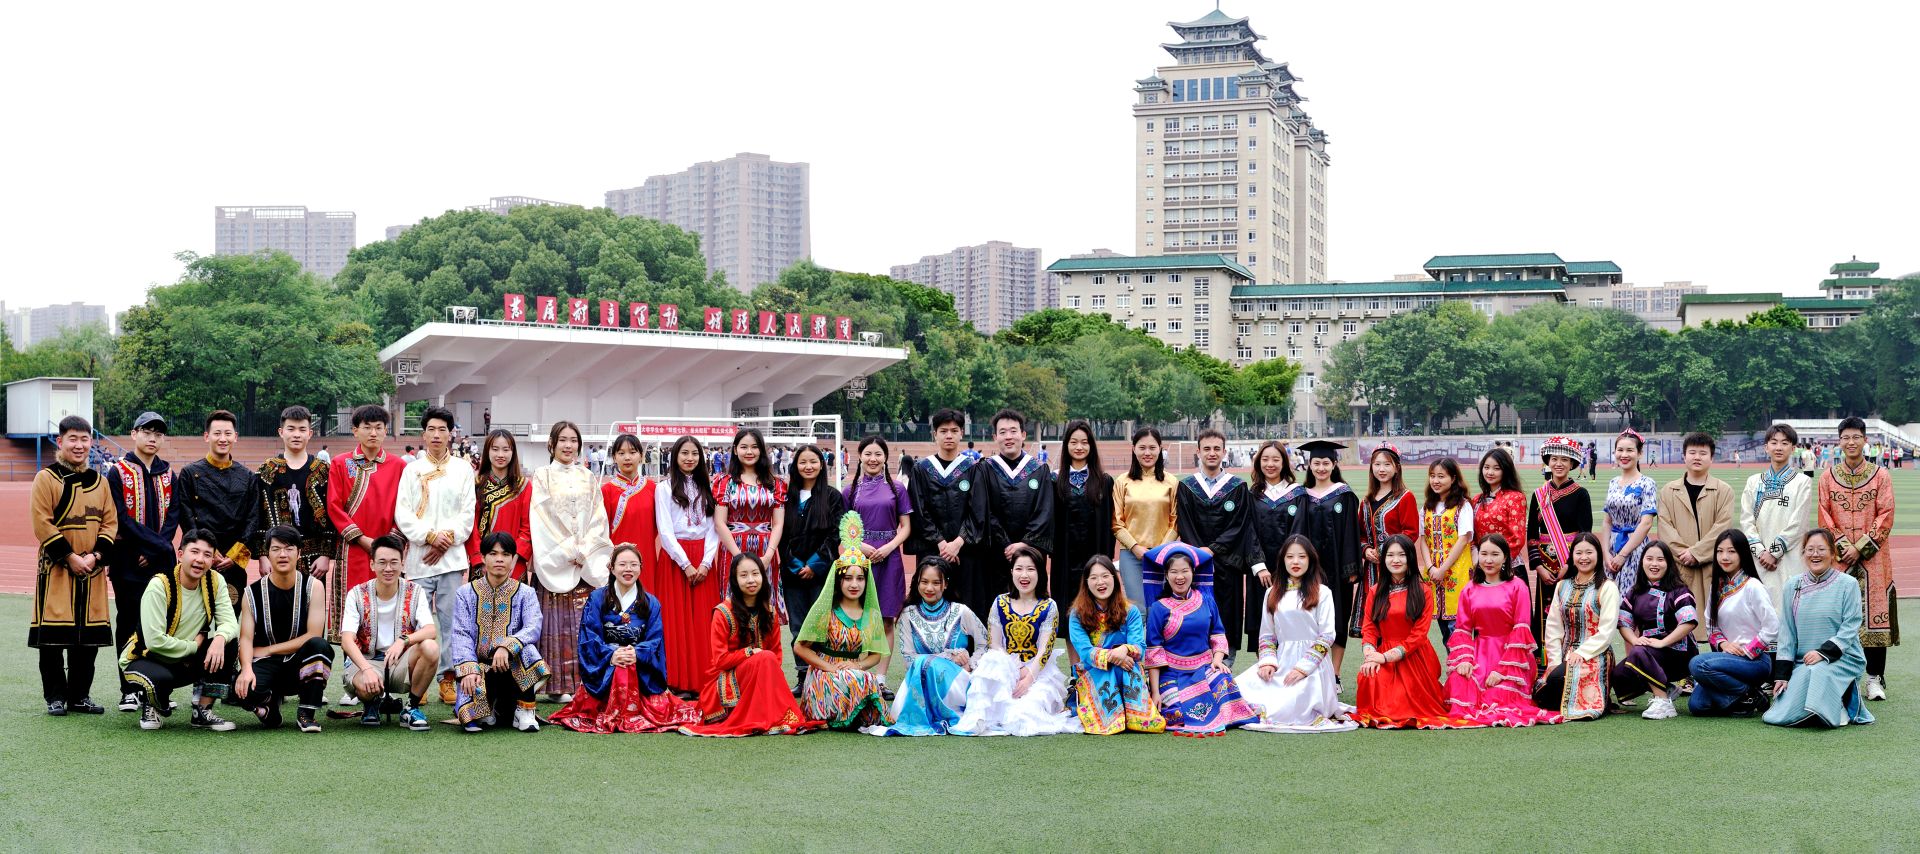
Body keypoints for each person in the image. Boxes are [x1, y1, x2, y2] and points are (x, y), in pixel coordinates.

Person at [548, 543, 702, 733]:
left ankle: (627, 710)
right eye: (622, 564)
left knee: (627, 668)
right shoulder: (597, 598)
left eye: (633, 564)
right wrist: (611, 654)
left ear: (640, 568)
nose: (628, 569)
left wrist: (636, 653)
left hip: (638, 665)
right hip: (606, 664)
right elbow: (589, 636)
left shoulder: (651, 603)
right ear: (611, 568)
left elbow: (655, 639)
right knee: (621, 668)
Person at [30, 415, 118, 716]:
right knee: (53, 638)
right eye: (73, 439)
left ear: (91, 442)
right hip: (57, 570)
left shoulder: (101, 482)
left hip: (92, 571)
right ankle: (55, 696)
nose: (79, 445)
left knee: (87, 639)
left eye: (84, 439)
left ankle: (80, 696)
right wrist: (70, 557)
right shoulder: (46, 479)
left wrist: (95, 557)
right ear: (60, 441)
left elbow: (110, 524)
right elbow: (42, 523)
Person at [681, 552, 821, 737]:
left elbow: (776, 656)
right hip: (725, 682)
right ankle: (763, 716)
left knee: (767, 658)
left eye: (755, 574)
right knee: (765, 657)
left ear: (763, 576)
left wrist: (761, 662)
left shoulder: (770, 612)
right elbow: (720, 660)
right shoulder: (723, 613)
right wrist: (750, 653)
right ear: (735, 579)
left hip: (761, 675)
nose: (751, 580)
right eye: (744, 575)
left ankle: (765, 711)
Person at [951, 547, 1080, 736]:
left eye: (1030, 569)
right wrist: (1012, 668)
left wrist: (1027, 679)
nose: (1024, 575)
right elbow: (994, 644)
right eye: (1019, 569)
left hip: (1037, 671)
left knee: (1025, 716)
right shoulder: (1000, 602)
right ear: (1011, 572)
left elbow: (1044, 650)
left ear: (1040, 573)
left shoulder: (1049, 606)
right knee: (990, 674)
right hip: (1004, 667)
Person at [1236, 535, 1357, 733]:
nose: (1295, 562)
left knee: (1288, 706)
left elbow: (1327, 635)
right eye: (1290, 557)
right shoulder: (1272, 593)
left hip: (1313, 668)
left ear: (1310, 560)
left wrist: (1302, 669)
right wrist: (1267, 663)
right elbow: (1267, 635)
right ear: (1282, 560)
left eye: (1302, 556)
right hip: (1281, 663)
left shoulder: (1323, 592)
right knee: (1238, 689)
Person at [529, 420, 613, 703]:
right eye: (563, 440)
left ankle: (584, 683)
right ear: (552, 444)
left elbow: (598, 516)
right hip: (555, 559)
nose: (568, 446)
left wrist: (586, 548)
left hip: (585, 560)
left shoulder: (588, 477)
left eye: (573, 440)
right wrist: (568, 550)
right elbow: (542, 516)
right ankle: (555, 686)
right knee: (555, 623)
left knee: (582, 623)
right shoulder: (542, 476)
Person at [1354, 535, 1476, 729]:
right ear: (1383, 559)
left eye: (1401, 555)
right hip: (1382, 653)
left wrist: (1385, 657)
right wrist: (1370, 656)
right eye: (1390, 555)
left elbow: (1418, 635)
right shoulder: (1376, 591)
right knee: (1369, 679)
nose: (1395, 560)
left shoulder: (1423, 591)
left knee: (1402, 699)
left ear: (1410, 558)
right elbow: (1369, 628)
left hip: (1414, 655)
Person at [121, 530, 239, 731]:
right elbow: (155, 642)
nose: (200, 559)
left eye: (207, 555)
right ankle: (153, 704)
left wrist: (220, 638)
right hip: (146, 658)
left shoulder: (215, 581)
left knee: (228, 644)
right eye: (195, 552)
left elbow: (230, 623)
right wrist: (194, 646)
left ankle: (202, 712)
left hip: (184, 660)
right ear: (181, 554)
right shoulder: (159, 585)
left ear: (212, 560)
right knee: (160, 680)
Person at [1444, 534, 1562, 726]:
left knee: (1499, 696)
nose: (1488, 560)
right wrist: (1465, 660)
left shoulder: (1517, 587)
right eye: (1484, 554)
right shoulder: (1469, 589)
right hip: (1480, 653)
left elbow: (1521, 632)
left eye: (1495, 554)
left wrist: (1502, 671)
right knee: (1460, 680)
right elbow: (1463, 631)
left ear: (1505, 557)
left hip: (1512, 656)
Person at [1816, 417, 1896, 700]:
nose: (1851, 442)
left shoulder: (1881, 475)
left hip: (1873, 558)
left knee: (1875, 615)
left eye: (1856, 437)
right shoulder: (1827, 477)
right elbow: (1824, 514)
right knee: (1837, 616)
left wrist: (1861, 547)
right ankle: (1841, 677)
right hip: (1838, 557)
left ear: (1865, 440)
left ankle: (1874, 678)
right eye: (1845, 437)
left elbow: (1886, 513)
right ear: (1839, 441)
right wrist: (1841, 545)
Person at [1144, 543, 1260, 736]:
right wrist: (1155, 692)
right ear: (1166, 575)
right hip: (1172, 674)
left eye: (1184, 571)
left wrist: (1217, 661)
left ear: (1193, 572)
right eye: (1174, 572)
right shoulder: (1158, 608)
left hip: (1204, 668)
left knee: (1223, 680)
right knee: (1177, 713)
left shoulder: (1206, 600)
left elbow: (1218, 633)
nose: (1180, 577)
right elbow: (1154, 652)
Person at [1764, 529, 1875, 728]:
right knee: (1778, 711)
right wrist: (1782, 674)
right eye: (1810, 549)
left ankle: (1837, 706)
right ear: (1803, 553)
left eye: (1821, 549)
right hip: (1804, 661)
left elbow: (1850, 626)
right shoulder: (1792, 585)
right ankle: (1828, 704)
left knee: (1818, 672)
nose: (1815, 554)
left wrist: (1823, 653)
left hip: (1844, 657)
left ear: (1833, 553)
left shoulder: (1848, 584)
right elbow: (1787, 632)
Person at [793, 513, 894, 730]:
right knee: (859, 680)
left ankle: (854, 714)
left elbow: (876, 655)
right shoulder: (826, 611)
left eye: (860, 578)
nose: (854, 584)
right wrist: (829, 667)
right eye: (848, 578)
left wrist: (857, 665)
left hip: (853, 671)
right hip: (823, 675)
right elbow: (800, 647)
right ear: (838, 581)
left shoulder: (871, 614)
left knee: (866, 679)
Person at [106, 411, 179, 711]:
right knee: (128, 622)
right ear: (134, 434)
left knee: (161, 624)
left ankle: (158, 686)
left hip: (159, 563)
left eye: (158, 434)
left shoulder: (168, 474)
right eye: (147, 432)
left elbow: (173, 517)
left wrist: (154, 551)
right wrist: (154, 546)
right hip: (127, 563)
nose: (152, 438)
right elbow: (120, 518)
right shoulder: (117, 472)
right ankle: (129, 689)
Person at [867, 556, 987, 736]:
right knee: (921, 663)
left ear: (945, 584)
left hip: (955, 685)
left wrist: (970, 664)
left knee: (923, 662)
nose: (929, 588)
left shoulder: (961, 611)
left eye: (936, 583)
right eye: (924, 582)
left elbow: (985, 643)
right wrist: (949, 657)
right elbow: (909, 660)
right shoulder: (908, 614)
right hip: (918, 685)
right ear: (917, 583)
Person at [230, 526, 333, 732]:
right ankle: (268, 708)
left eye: (289, 549)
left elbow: (313, 635)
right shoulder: (251, 593)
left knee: (320, 646)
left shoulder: (313, 586)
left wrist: (268, 649)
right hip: (267, 665)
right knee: (240, 689)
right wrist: (247, 669)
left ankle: (306, 713)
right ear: (268, 554)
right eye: (276, 549)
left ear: (299, 553)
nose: (283, 554)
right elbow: (246, 639)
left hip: (299, 665)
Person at [326, 404, 407, 655]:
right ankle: (351, 666)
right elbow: (334, 506)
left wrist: (386, 546)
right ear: (355, 431)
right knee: (353, 608)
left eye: (378, 428)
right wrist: (362, 539)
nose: (373, 433)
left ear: (385, 431)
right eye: (367, 427)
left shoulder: (398, 466)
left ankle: (385, 665)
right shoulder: (341, 463)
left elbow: (405, 508)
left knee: (387, 606)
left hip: (388, 550)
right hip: (352, 549)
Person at [338, 533, 440, 730]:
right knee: (365, 685)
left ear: (402, 564)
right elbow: (347, 640)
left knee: (430, 647)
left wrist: (403, 640)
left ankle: (411, 708)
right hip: (367, 661)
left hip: (400, 661)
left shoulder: (415, 591)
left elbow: (430, 630)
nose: (388, 568)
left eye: (394, 562)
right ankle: (371, 703)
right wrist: (366, 669)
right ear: (372, 564)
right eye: (382, 562)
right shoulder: (356, 594)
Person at [450, 531, 549, 732]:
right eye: (493, 554)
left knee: (528, 650)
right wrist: (469, 669)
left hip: (513, 668)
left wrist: (506, 645)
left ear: (513, 560)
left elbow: (533, 626)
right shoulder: (465, 593)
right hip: (480, 670)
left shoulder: (526, 593)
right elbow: (461, 635)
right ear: (483, 557)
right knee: (474, 719)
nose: (499, 559)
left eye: (505, 554)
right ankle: (488, 708)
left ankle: (525, 709)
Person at [1173, 429, 1254, 656]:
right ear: (1198, 452)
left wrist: (1212, 550)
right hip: (1197, 563)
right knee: (1196, 612)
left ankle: (1226, 662)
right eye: (1207, 449)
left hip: (1228, 564)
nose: (1212, 453)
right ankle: (1197, 662)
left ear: (1224, 452)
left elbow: (1239, 525)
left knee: (1228, 612)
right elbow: (1185, 524)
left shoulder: (1237, 487)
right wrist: (1200, 553)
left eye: (1217, 449)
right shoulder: (1187, 486)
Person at [1068, 555, 1166, 735]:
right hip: (1094, 669)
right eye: (1094, 578)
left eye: (1105, 576)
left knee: (1128, 669)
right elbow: (1085, 652)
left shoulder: (1131, 611)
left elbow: (1139, 647)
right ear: (1086, 583)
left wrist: (1124, 649)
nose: (1100, 582)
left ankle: (1135, 717)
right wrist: (1115, 657)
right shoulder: (1077, 615)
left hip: (1128, 667)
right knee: (1112, 671)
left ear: (1115, 578)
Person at [655, 435, 722, 698]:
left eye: (694, 453)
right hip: (675, 560)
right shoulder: (664, 488)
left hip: (704, 559)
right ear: (675, 456)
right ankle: (678, 681)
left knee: (704, 622)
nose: (690, 458)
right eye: (684, 453)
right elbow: (665, 529)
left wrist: (705, 562)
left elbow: (714, 528)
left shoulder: (709, 486)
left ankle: (704, 680)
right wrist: (685, 563)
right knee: (676, 621)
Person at [975, 409, 1055, 628]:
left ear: (1023, 435)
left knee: (1032, 609)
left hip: (1031, 553)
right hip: (996, 554)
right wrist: (1006, 544)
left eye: (1013, 431)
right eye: (1002, 432)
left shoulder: (1039, 470)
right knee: (996, 613)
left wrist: (1024, 544)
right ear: (995, 437)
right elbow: (984, 511)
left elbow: (1044, 511)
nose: (1008, 436)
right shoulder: (985, 469)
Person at [1689, 533, 1780, 717]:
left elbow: (1772, 626)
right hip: (1727, 659)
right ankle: (1748, 697)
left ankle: (1745, 693)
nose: (1725, 557)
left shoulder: (1753, 586)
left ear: (1742, 553)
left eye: (1731, 551)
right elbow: (1711, 626)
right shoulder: (1717, 587)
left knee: (1697, 664)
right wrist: (1724, 644)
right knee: (1697, 705)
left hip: (1755, 661)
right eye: (1720, 551)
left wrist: (1748, 650)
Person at [175, 409, 261, 604]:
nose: (223, 439)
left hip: (232, 561)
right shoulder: (189, 473)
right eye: (217, 433)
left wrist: (235, 556)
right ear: (207, 436)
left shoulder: (247, 476)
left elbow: (253, 518)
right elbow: (186, 517)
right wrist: (207, 552)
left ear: (235, 437)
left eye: (228, 433)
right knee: (192, 616)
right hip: (198, 558)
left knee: (229, 615)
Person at [907, 408, 984, 624]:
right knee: (931, 603)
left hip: (965, 551)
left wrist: (958, 543)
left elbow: (977, 510)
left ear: (962, 434)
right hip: (932, 550)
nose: (949, 435)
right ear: (935, 434)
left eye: (954, 430)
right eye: (943, 431)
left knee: (966, 607)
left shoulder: (973, 468)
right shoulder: (922, 469)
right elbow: (919, 511)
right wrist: (941, 543)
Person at [1533, 532, 1620, 721]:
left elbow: (1606, 632)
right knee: (1541, 692)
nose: (1584, 558)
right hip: (1566, 653)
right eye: (1579, 553)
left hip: (1595, 654)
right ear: (1572, 556)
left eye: (1589, 552)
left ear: (1598, 555)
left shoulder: (1607, 587)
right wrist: (1554, 661)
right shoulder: (1562, 586)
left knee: (1557, 682)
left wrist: (1582, 652)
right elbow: (1554, 627)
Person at [1607, 540, 1699, 720]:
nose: (1654, 564)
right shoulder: (1635, 592)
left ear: (1668, 563)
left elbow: (1689, 622)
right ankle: (1667, 688)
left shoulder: (1679, 590)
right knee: (1619, 674)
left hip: (1679, 653)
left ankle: (1663, 701)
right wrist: (1634, 640)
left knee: (1638, 653)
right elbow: (1623, 623)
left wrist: (1663, 642)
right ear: (1642, 561)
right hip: (1649, 651)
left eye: (1660, 560)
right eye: (1649, 559)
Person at [841, 435, 912, 662]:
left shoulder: (897, 489)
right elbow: (842, 528)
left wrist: (889, 548)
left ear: (885, 458)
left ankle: (881, 677)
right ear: (860, 457)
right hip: (858, 560)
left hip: (890, 559)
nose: (873, 459)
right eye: (868, 454)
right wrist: (859, 546)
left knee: (886, 618)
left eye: (878, 454)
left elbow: (906, 527)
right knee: (855, 615)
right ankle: (855, 671)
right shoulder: (850, 491)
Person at [778, 444, 843, 691]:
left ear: (821, 464)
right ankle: (803, 677)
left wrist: (815, 564)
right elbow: (781, 535)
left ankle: (823, 677)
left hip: (822, 573)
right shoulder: (786, 497)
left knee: (822, 624)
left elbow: (835, 534)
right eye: (803, 462)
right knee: (798, 626)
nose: (808, 466)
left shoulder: (832, 496)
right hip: (792, 574)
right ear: (795, 466)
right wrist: (796, 566)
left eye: (813, 461)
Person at [1295, 439, 1362, 675]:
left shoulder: (1344, 495)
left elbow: (1352, 533)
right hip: (1309, 570)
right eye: (1317, 463)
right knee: (1309, 618)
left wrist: (1351, 567)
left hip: (1337, 568)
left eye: (1326, 463)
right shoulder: (1302, 496)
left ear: (1334, 464)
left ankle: (1335, 674)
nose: (1321, 468)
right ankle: (1311, 672)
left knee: (1337, 619)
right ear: (1309, 465)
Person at [1525, 436, 1594, 661]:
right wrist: (1538, 566)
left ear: (1572, 463)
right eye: (1554, 459)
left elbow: (1585, 534)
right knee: (1546, 611)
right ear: (1548, 461)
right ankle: (1545, 661)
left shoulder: (1581, 494)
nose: (1559, 464)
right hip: (1545, 563)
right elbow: (1532, 535)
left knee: (1571, 608)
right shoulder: (1538, 495)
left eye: (1564, 459)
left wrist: (1568, 565)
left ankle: (1571, 659)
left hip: (1572, 562)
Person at [251, 405, 336, 582]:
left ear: (310, 433)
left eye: (302, 429)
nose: (296, 434)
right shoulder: (266, 471)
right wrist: (262, 556)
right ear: (281, 432)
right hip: (276, 555)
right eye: (291, 429)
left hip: (314, 559)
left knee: (312, 598)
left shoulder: (324, 470)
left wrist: (326, 555)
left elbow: (332, 513)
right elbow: (258, 514)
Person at [1739, 423, 1814, 611]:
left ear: (1793, 448)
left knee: (1789, 610)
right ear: (1766, 447)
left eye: (1784, 443)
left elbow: (1799, 524)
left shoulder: (1802, 482)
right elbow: (1746, 521)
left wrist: (1773, 552)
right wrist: (1760, 552)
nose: (1778, 447)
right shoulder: (1753, 481)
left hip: (1789, 558)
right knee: (1758, 612)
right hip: (1758, 559)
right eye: (1774, 442)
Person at [713, 428, 787, 616]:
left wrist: (769, 555)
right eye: (744, 447)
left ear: (761, 450)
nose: (749, 452)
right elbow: (720, 523)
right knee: (733, 604)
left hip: (765, 550)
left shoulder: (775, 483)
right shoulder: (725, 482)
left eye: (754, 447)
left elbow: (778, 523)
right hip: (733, 548)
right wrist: (739, 557)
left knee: (764, 604)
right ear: (735, 450)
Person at [1111, 426, 1179, 610]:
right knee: (1138, 608)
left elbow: (1175, 521)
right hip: (1131, 555)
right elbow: (1117, 522)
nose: (1147, 453)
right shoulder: (1122, 481)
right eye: (1142, 448)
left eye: (1152, 448)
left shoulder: (1172, 482)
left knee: (1160, 608)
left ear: (1160, 449)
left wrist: (1161, 550)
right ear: (1133, 449)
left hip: (1163, 555)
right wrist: (1135, 547)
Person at [1051, 420, 1114, 606]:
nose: (1079, 447)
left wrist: (1106, 557)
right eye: (1074, 442)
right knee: (1066, 603)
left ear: (1091, 445)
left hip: (1095, 552)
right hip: (1064, 555)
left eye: (1084, 442)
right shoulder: (1055, 481)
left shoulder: (1103, 481)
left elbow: (1109, 523)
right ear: (1066, 445)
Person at [1359, 443, 1420, 636]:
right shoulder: (1366, 501)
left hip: (1396, 567)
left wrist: (1386, 551)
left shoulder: (1405, 497)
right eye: (1377, 464)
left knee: (1396, 617)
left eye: (1387, 464)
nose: (1381, 469)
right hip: (1372, 570)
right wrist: (1366, 550)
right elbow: (1360, 534)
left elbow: (1411, 532)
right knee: (1373, 619)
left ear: (1396, 468)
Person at [1417, 458, 1475, 639]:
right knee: (1444, 630)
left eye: (1441, 476)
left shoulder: (1463, 506)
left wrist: (1442, 569)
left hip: (1457, 573)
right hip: (1434, 575)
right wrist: (1431, 568)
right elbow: (1423, 539)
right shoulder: (1427, 507)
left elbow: (1463, 539)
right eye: (1432, 476)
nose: (1435, 481)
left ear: (1453, 478)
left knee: (1458, 629)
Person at [468, 428, 533, 582]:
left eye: (506, 449)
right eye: (495, 449)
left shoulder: (523, 486)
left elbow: (527, 527)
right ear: (487, 451)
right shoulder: (475, 484)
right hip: (482, 562)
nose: (500, 455)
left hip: (514, 562)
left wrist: (513, 557)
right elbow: (471, 525)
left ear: (513, 452)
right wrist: (480, 558)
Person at [1601, 430, 1659, 597]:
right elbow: (1607, 521)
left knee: (1631, 597)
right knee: (1608, 598)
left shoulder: (1647, 483)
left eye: (1629, 450)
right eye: (1620, 450)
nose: (1624, 455)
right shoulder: (1613, 483)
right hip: (1612, 549)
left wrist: (1622, 555)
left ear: (1639, 453)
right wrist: (1606, 553)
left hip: (1635, 548)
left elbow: (1646, 523)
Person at [1473, 447, 1528, 582]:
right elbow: (1472, 537)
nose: (1490, 472)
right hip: (1482, 567)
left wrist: (1497, 561)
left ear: (1506, 470)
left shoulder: (1515, 498)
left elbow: (1517, 539)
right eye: (1486, 467)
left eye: (1496, 468)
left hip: (1508, 569)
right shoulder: (1476, 500)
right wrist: (1479, 559)